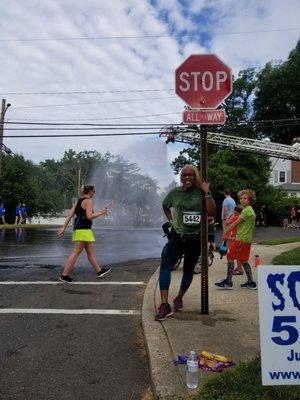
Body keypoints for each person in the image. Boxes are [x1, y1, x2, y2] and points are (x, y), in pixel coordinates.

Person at [155, 164, 216, 321]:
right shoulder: (175, 192)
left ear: (195, 176)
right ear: (181, 177)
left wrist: (207, 192)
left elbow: (211, 211)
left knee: (188, 270)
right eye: (184, 175)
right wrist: (171, 221)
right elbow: (164, 205)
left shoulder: (201, 192)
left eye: (191, 175)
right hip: (178, 235)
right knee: (165, 266)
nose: (187, 177)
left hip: (195, 237)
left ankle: (179, 298)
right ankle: (164, 305)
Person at [58, 184, 113, 283]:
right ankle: (64, 275)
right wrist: (102, 212)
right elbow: (89, 216)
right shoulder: (88, 201)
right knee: (76, 253)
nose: (94, 193)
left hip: (81, 229)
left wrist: (63, 227)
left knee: (90, 252)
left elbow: (70, 215)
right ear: (90, 191)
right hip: (83, 230)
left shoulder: (77, 201)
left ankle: (99, 271)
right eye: (94, 191)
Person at [215, 189, 257, 290]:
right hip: (246, 239)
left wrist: (225, 232)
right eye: (241, 198)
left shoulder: (246, 210)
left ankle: (228, 282)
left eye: (245, 198)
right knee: (243, 260)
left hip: (241, 238)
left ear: (250, 199)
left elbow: (235, 223)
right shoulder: (249, 209)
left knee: (230, 256)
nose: (242, 200)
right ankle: (251, 283)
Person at [223, 204, 243, 275]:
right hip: (236, 236)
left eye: (234, 210)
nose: (233, 211)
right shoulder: (240, 217)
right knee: (237, 253)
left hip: (234, 237)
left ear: (236, 211)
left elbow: (226, 223)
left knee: (232, 253)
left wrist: (229, 217)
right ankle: (238, 268)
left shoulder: (235, 217)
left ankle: (238, 269)